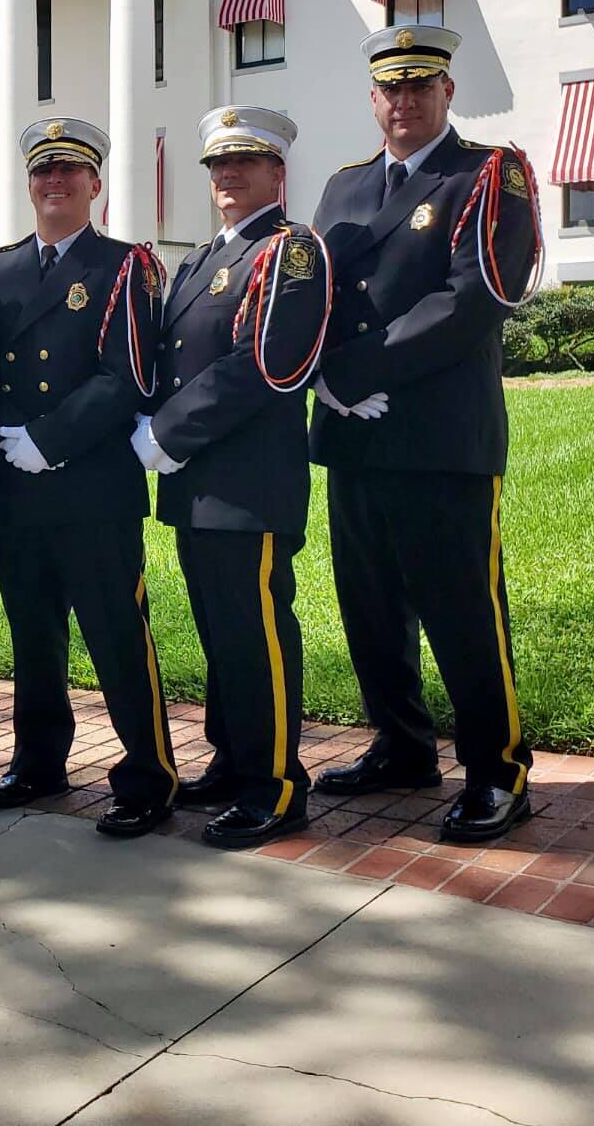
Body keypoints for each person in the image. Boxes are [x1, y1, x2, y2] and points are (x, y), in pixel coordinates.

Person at [307, 26, 543, 843]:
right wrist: (321, 376)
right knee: (369, 609)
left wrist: (356, 370)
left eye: (420, 85)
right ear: (373, 98)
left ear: (447, 93)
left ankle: (500, 771)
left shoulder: (486, 174)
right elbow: (315, 300)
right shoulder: (341, 190)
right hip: (354, 438)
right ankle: (402, 747)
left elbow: (475, 298)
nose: (403, 101)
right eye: (390, 88)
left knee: (464, 611)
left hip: (442, 441)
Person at [0, 116, 178, 837]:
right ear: (29, 183)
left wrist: (49, 439)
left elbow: (131, 377)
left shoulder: (126, 266)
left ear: (94, 184)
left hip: (92, 489)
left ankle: (150, 776)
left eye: (70, 172)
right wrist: (6, 439)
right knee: (33, 636)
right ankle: (38, 762)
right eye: (42, 172)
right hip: (16, 487)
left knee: (117, 633)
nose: (54, 182)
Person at [134, 107, 333, 848]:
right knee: (223, 634)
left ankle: (277, 784)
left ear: (278, 172)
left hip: (248, 486)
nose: (228, 176)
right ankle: (234, 757)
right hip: (196, 486)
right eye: (218, 165)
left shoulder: (292, 252)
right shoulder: (200, 260)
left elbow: (267, 365)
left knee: (257, 636)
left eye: (245, 163)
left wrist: (164, 432)